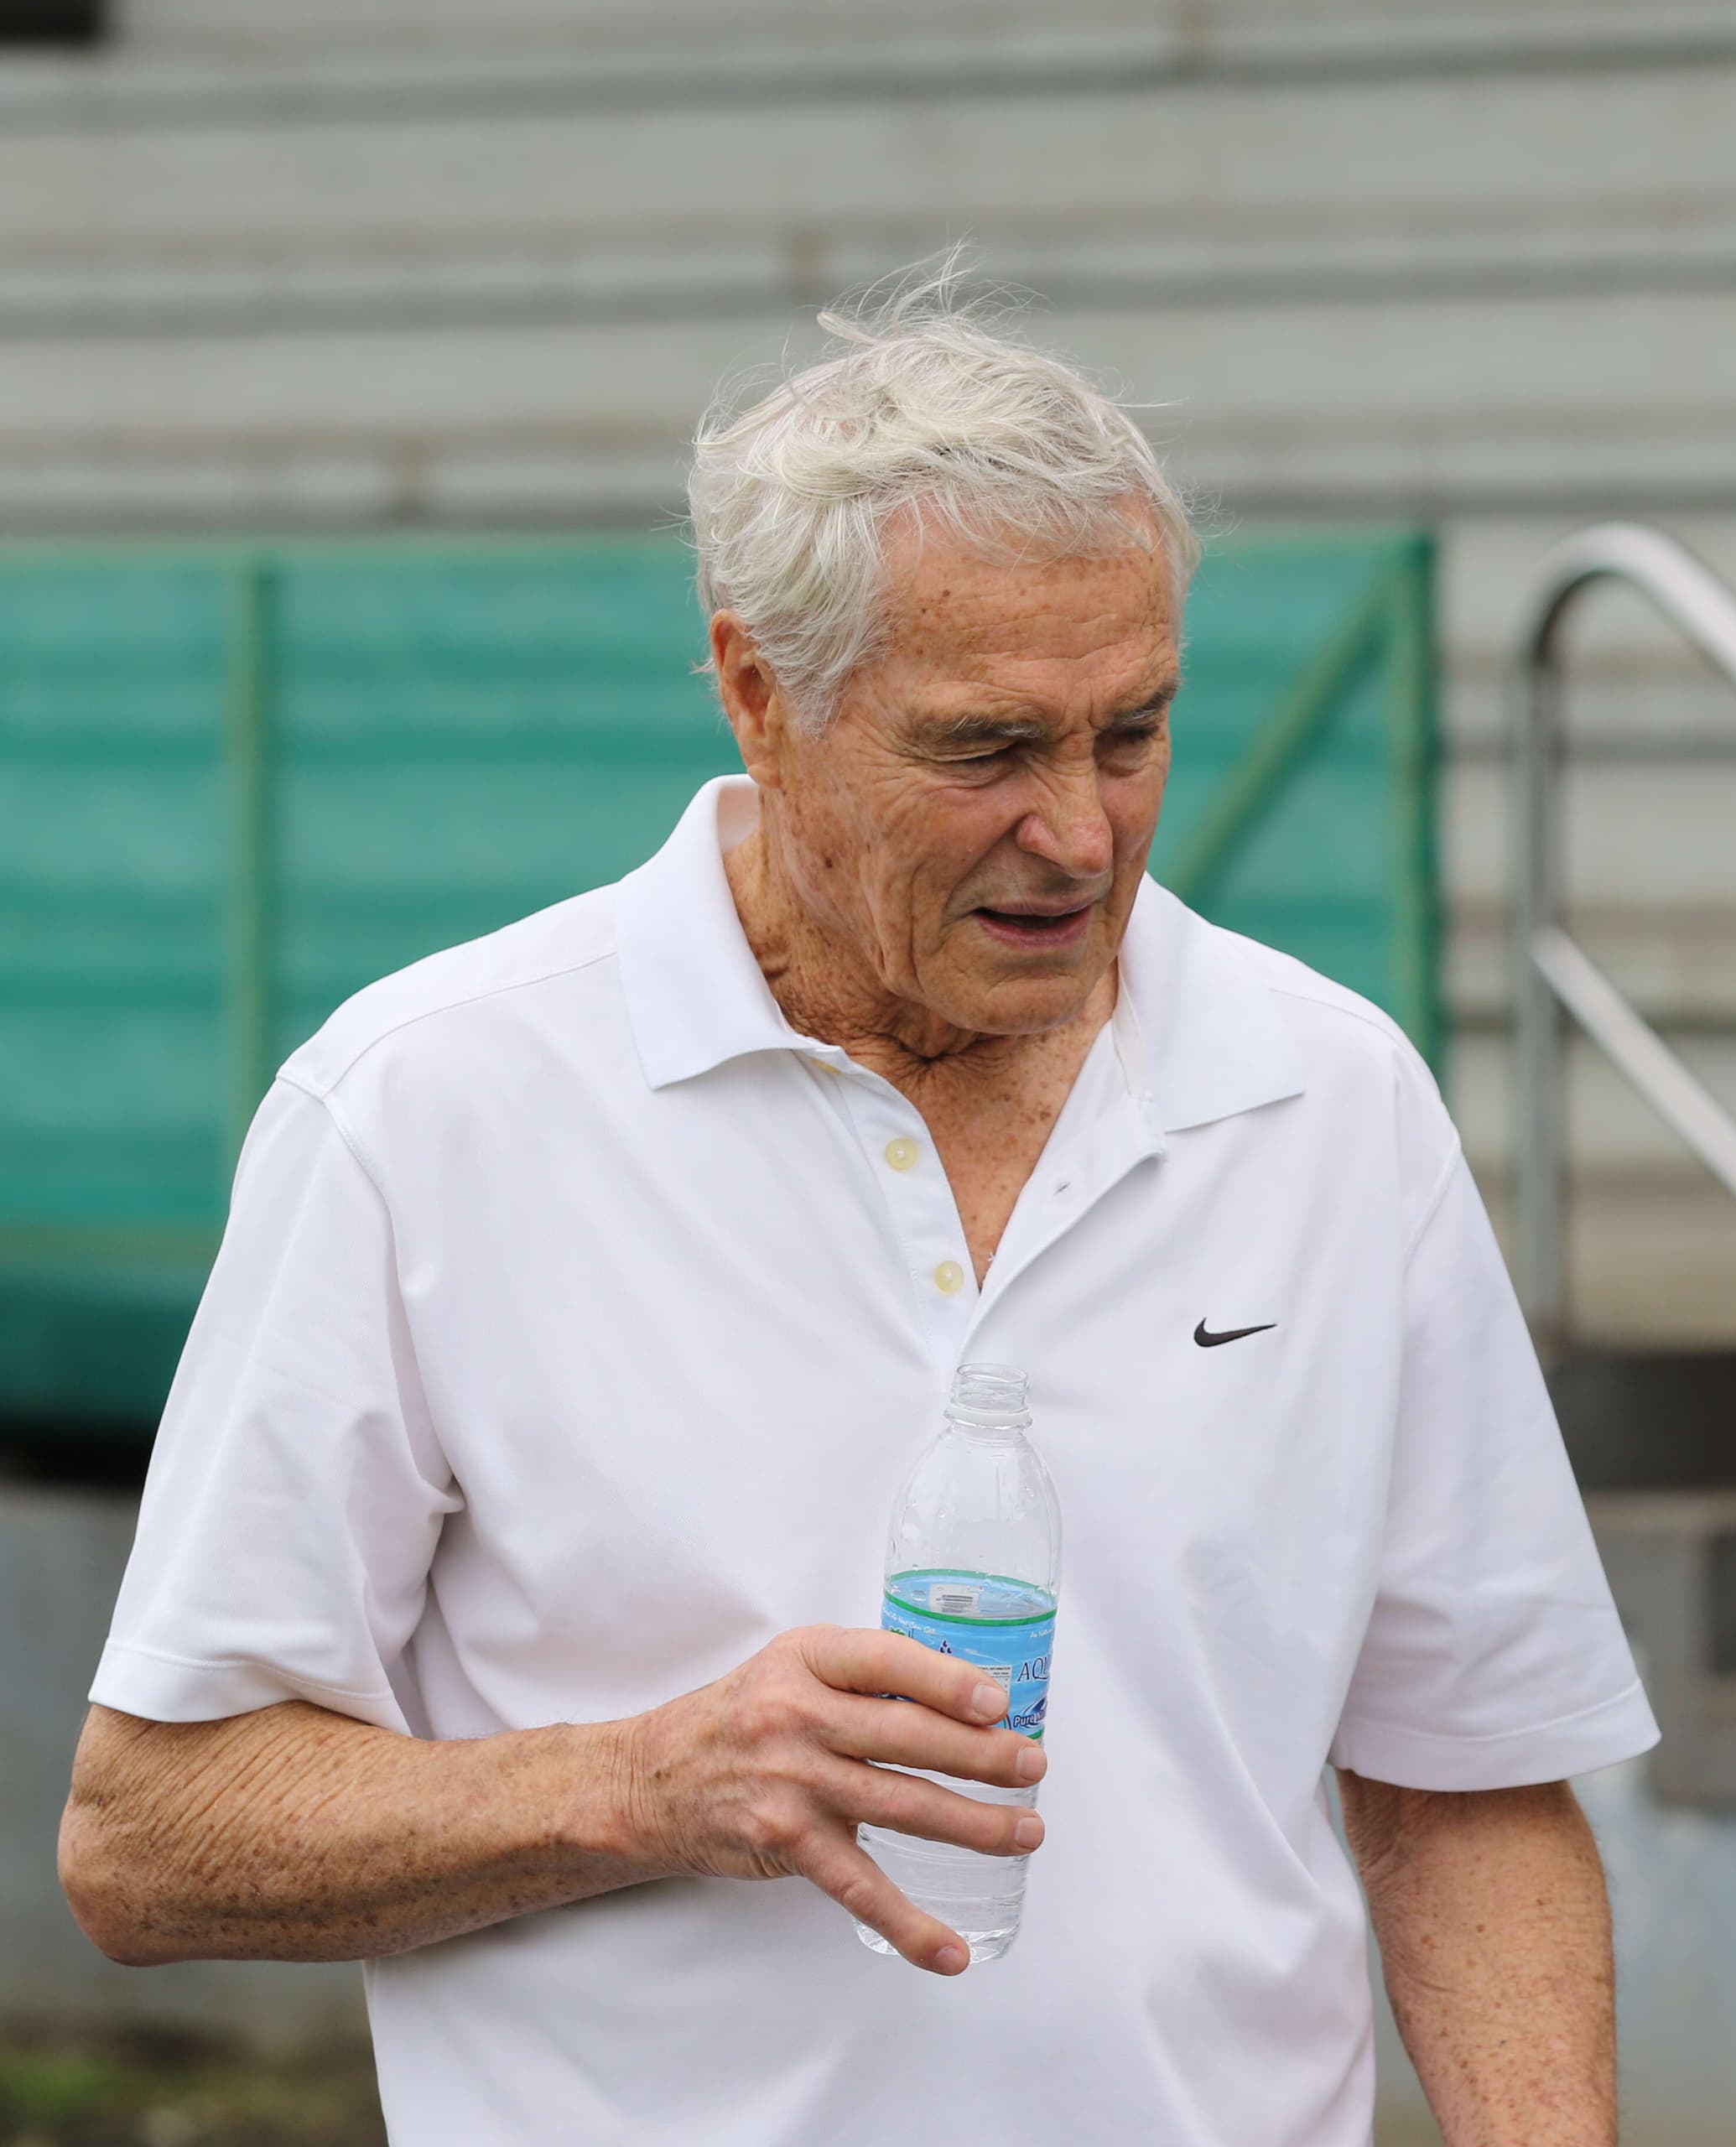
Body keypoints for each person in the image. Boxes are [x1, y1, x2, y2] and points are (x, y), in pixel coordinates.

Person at [58, 280, 1655, 2146]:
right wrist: (636, 1781)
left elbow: (1467, 1783)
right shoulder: (425, 1103)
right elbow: (144, 1835)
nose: (1079, 833)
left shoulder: (1332, 1090)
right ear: (760, 689)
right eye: (985, 749)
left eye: (1131, 730)